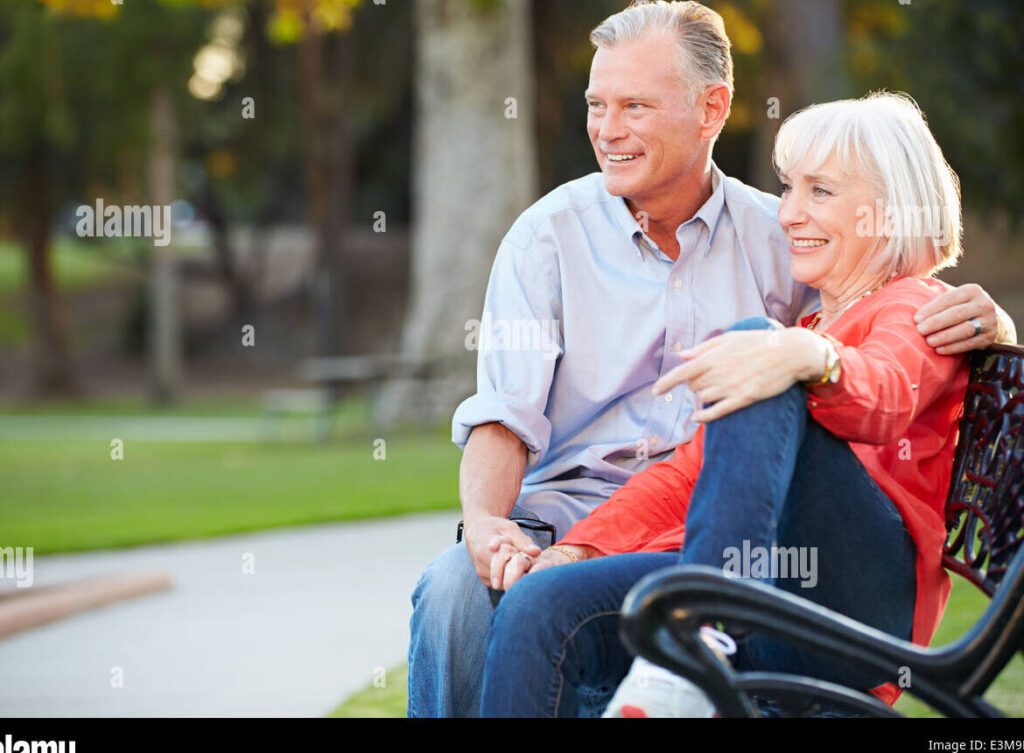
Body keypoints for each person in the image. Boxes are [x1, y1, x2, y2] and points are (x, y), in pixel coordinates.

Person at [408, 0, 1015, 718]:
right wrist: (572, 549)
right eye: (597, 104)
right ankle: (692, 629)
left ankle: (700, 632)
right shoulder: (550, 237)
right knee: (529, 598)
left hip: (838, 585)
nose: (792, 210)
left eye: (634, 104)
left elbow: (883, 391)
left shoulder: (877, 296)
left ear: (711, 109)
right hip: (674, 538)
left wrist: (806, 350)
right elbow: (683, 463)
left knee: (757, 343)